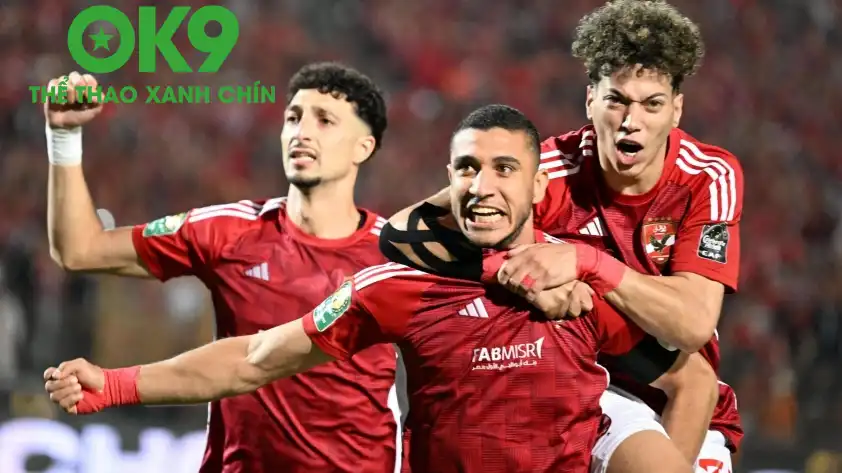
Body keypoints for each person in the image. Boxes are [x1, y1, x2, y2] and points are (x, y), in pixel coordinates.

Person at [44, 104, 712, 473]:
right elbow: (256, 357)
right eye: (467, 169)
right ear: (448, 181)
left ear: (541, 186)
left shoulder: (584, 283)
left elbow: (692, 379)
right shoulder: (396, 288)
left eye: (505, 168)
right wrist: (120, 383)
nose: (482, 186)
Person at [377, 1, 743, 472]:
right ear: (590, 100)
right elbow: (404, 232)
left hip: (685, 391)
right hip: (578, 381)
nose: (631, 121)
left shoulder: (707, 175)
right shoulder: (549, 170)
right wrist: (516, 275)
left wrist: (587, 263)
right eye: (616, 100)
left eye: (651, 104)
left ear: (676, 109)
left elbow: (691, 325)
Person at [43, 63, 402, 473]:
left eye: (325, 120)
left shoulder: (396, 256)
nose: (302, 132)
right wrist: (63, 138)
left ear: (363, 148)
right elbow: (80, 250)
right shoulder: (231, 230)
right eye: (293, 118)